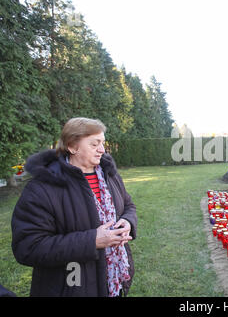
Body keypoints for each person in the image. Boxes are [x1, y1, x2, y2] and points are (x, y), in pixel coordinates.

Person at [11, 117, 137, 297]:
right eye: (95, 144)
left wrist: (127, 221)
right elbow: (28, 247)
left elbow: (128, 205)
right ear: (72, 146)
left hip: (112, 283)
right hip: (70, 287)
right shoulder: (42, 188)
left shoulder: (110, 175)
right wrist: (92, 240)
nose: (102, 149)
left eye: (102, 143)